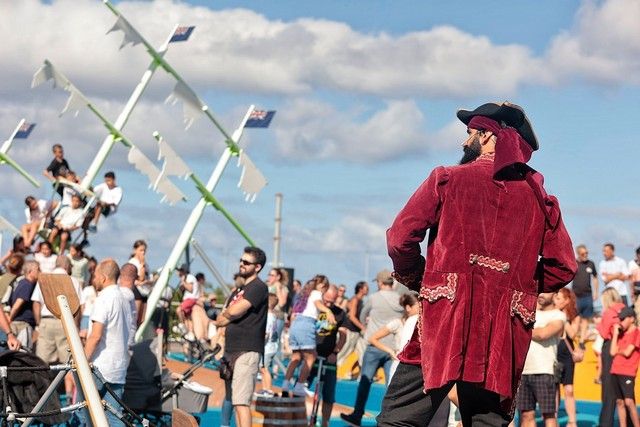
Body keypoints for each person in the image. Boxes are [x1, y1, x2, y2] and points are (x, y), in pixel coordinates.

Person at [380, 102, 576, 427]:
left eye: (470, 133)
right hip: (503, 329)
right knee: (488, 423)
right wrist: (519, 285)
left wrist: (420, 277)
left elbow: (400, 238)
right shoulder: (539, 200)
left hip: (444, 319)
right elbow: (563, 267)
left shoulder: (447, 179)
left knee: (398, 420)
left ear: (487, 137)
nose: (463, 142)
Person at [213, 247, 268, 427]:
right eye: (241, 260)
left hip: (247, 350)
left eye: (246, 262)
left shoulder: (259, 287)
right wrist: (226, 316)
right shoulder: (239, 290)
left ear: (257, 267)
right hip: (231, 350)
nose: (241, 264)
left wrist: (226, 316)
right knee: (232, 398)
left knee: (241, 402)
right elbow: (225, 314)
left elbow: (236, 310)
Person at [341, 270, 403, 426]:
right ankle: (389, 419)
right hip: (393, 347)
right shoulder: (400, 299)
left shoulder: (374, 298)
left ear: (380, 283)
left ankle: (357, 414)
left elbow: (362, 315)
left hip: (375, 345)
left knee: (365, 381)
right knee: (390, 386)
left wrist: (369, 327)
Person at [84, 259, 132, 427]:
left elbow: (96, 336)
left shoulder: (104, 298)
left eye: (95, 276)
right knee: (113, 417)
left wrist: (80, 362)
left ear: (103, 277)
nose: (93, 279)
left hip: (100, 366)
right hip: (118, 367)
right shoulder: (124, 299)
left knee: (84, 415)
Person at [284, 275, 335, 397]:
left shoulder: (303, 294)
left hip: (296, 324)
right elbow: (318, 304)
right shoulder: (316, 293)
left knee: (296, 357)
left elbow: (294, 314)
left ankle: (285, 385)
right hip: (306, 324)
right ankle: (300, 385)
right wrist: (328, 311)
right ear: (322, 286)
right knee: (311, 357)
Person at [308, 285, 347, 427]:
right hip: (311, 355)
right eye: (326, 300)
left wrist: (335, 352)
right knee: (303, 386)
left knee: (329, 395)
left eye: (332, 301)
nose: (329, 304)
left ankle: (325, 423)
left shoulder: (340, 313)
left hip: (328, 357)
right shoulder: (314, 308)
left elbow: (343, 337)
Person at [367, 292, 419, 381]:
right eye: (419, 306)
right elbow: (372, 338)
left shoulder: (421, 323)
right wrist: (391, 351)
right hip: (399, 364)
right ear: (408, 308)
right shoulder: (398, 323)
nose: (422, 308)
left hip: (414, 367)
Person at [597, 288, 626, 427]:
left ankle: (605, 423)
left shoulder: (608, 312)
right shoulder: (624, 310)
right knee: (622, 388)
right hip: (624, 348)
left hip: (609, 347)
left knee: (608, 388)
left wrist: (598, 323)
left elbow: (603, 333)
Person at [553, 288, 581, 427]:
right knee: (554, 388)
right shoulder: (551, 314)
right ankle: (554, 419)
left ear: (567, 300)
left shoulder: (574, 315)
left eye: (558, 298)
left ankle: (572, 421)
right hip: (552, 353)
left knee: (569, 389)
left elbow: (573, 335)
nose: (555, 301)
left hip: (567, 356)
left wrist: (563, 318)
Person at [610, 307, 640, 427]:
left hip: (628, 372)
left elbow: (628, 352)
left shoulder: (637, 333)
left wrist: (619, 350)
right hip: (615, 370)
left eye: (623, 319)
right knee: (620, 402)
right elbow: (612, 352)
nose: (620, 322)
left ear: (632, 319)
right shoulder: (621, 334)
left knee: (629, 402)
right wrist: (616, 335)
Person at [337, 280, 369, 379]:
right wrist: (363, 327)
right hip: (351, 331)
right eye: (366, 287)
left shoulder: (360, 301)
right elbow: (352, 316)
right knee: (344, 352)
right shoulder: (355, 299)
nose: (368, 289)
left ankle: (359, 375)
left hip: (356, 332)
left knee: (362, 353)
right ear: (360, 289)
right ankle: (333, 371)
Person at [7, 260, 39, 350]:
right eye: (38, 269)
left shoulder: (22, 283)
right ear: (30, 271)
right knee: (23, 353)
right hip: (23, 325)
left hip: (18, 323)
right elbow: (18, 304)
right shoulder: (28, 284)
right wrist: (9, 319)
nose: (40, 272)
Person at [572, 244, 598, 347]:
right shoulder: (574, 263)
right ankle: (574, 338)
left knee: (585, 318)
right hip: (576, 296)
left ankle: (582, 341)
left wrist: (596, 292)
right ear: (578, 254)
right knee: (575, 318)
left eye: (587, 253)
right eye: (583, 253)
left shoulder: (591, 264)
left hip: (588, 295)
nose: (585, 255)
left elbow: (595, 277)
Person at [255, 293, 279, 397]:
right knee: (263, 368)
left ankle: (268, 389)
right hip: (271, 347)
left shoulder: (268, 317)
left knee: (264, 369)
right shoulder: (273, 316)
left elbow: (266, 333)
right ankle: (265, 388)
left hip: (267, 348)